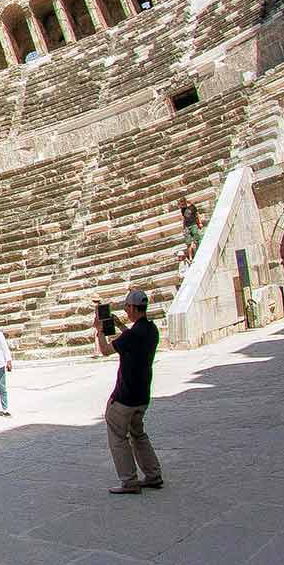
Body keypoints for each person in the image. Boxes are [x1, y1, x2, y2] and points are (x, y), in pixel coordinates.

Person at [94, 289, 164, 495]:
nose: (125, 311)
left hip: (125, 396)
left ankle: (129, 480)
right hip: (142, 395)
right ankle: (153, 474)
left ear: (133, 308)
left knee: (117, 437)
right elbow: (133, 337)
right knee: (138, 434)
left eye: (126, 307)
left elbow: (105, 350)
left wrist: (100, 330)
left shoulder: (133, 336)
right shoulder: (151, 330)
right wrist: (120, 325)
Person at [179, 197, 202, 261]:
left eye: (182, 203)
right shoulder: (183, 209)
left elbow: (197, 215)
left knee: (196, 239)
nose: (182, 205)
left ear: (185, 202)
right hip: (187, 227)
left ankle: (198, 252)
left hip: (193, 224)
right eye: (181, 204)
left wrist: (200, 223)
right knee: (188, 243)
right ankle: (191, 257)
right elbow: (184, 218)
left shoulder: (192, 207)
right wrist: (183, 228)